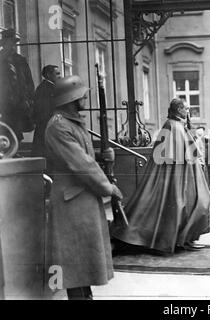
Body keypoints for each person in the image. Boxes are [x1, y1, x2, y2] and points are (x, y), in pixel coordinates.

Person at [45, 75, 123, 300]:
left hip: (80, 198)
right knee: (74, 262)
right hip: (72, 201)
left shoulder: (71, 122)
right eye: (82, 94)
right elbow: (81, 164)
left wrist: (102, 155)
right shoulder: (59, 126)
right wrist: (109, 188)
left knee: (84, 261)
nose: (86, 98)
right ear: (71, 97)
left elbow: (83, 157)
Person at [110, 98, 210, 254]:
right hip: (176, 176)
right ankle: (181, 239)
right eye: (186, 108)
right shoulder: (172, 125)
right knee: (183, 204)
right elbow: (173, 155)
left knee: (197, 202)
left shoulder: (177, 125)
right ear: (178, 110)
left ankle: (186, 238)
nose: (188, 111)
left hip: (185, 174)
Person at [0, 29, 35, 143]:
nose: (12, 46)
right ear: (4, 44)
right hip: (3, 103)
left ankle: (15, 151)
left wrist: (29, 99)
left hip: (19, 101)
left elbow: (29, 81)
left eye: (14, 43)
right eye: (9, 43)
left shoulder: (20, 60)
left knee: (17, 128)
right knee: (5, 127)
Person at [31, 65, 61, 157]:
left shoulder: (48, 88)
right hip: (46, 126)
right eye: (57, 74)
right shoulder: (45, 89)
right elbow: (43, 111)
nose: (60, 76)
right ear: (48, 74)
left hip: (46, 126)